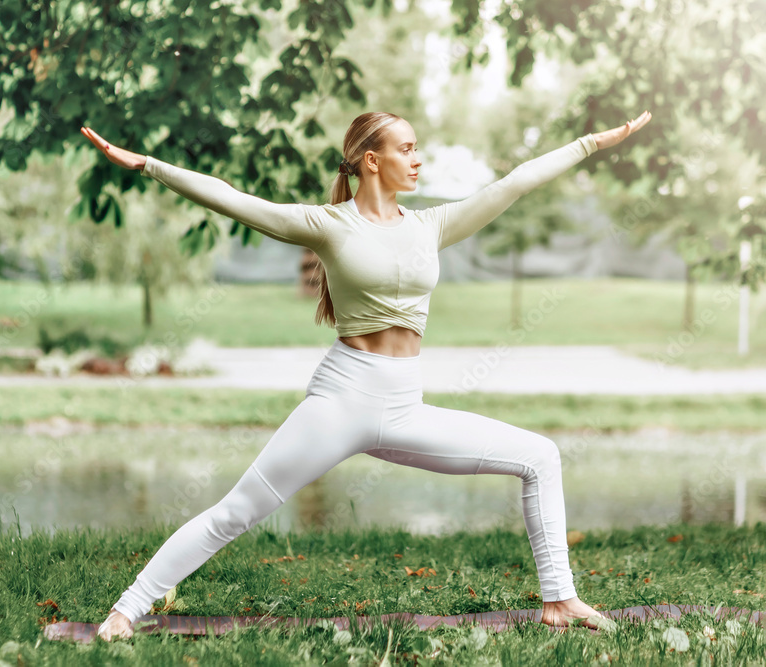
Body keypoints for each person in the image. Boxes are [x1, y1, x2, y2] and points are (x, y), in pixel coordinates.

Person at [80, 109, 652, 641]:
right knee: (237, 511)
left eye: (417, 149)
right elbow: (233, 199)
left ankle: (560, 601)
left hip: (405, 406)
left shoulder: (431, 224)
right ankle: (126, 610)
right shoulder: (329, 225)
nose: (418, 159)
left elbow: (515, 183)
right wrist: (148, 165)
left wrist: (590, 143)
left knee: (540, 456)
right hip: (342, 399)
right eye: (407, 149)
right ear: (371, 160)